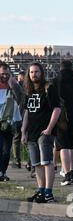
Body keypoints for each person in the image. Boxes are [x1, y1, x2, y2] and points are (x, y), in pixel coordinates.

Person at [21, 62, 61, 203]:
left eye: (36, 72)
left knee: (47, 162)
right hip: (31, 133)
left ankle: (49, 193)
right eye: (31, 72)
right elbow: (27, 112)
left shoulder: (48, 88)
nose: (34, 74)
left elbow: (57, 109)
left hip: (44, 132)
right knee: (37, 164)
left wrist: (50, 128)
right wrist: (23, 131)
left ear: (41, 73)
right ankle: (41, 192)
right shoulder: (29, 91)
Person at [0, 62, 24, 182]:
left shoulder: (13, 85)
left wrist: (14, 86)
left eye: (7, 74)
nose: (4, 76)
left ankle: (2, 172)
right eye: (2, 74)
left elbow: (20, 100)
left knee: (6, 150)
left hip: (10, 122)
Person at [12, 70, 25, 168]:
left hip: (20, 115)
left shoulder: (16, 87)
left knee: (17, 139)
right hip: (21, 115)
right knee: (21, 138)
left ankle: (17, 160)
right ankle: (20, 160)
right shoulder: (27, 86)